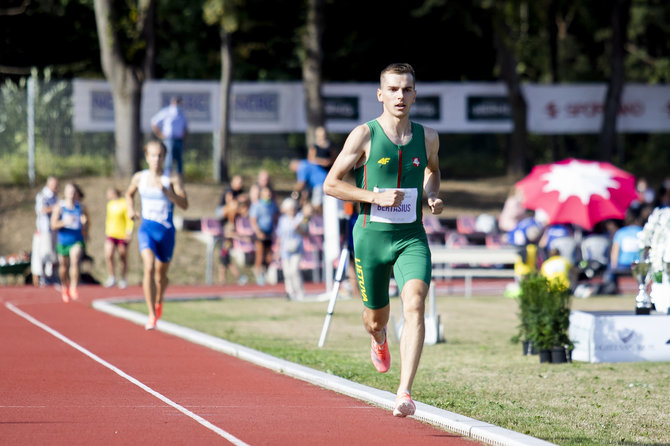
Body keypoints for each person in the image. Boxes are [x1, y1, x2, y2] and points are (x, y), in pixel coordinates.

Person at [323, 63, 443, 417]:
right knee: (376, 318)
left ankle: (404, 392)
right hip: (371, 237)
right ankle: (378, 339)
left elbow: (433, 173)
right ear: (381, 94)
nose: (400, 96)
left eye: (406, 89)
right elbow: (331, 184)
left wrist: (432, 195)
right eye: (393, 89)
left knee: (416, 303)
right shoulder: (364, 135)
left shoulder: (429, 137)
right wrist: (374, 197)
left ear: (415, 95)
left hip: (410, 237)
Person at [126, 140, 189, 330]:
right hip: (147, 228)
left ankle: (159, 299)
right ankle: (151, 314)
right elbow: (129, 194)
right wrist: (130, 210)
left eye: (160, 155)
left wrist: (168, 193)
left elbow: (185, 204)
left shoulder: (172, 177)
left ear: (164, 157)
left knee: (161, 277)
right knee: (149, 267)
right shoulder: (140, 177)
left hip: (166, 231)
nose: (156, 159)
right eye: (153, 155)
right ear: (147, 157)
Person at [50, 182, 90, 302]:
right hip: (63, 241)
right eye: (69, 192)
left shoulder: (81, 208)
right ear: (65, 193)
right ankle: (64, 286)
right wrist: (65, 222)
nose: (72, 194)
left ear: (76, 194)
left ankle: (73, 287)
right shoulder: (59, 207)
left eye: (73, 192)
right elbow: (53, 225)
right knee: (63, 267)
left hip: (76, 240)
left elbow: (86, 224)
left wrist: (85, 224)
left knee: (75, 259)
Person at [275, 198, 312, 300]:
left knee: (294, 270)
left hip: (297, 248)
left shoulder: (300, 218)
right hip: (285, 249)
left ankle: (300, 292)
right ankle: (290, 292)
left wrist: (298, 228)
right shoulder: (282, 220)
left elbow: (305, 233)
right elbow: (279, 236)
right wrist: (277, 250)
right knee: (287, 272)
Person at [602, 209, 643, 294]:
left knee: (608, 272)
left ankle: (610, 290)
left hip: (622, 265)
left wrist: (613, 266)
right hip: (639, 265)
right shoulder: (642, 231)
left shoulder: (621, 233)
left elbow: (615, 251)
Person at [103, 187, 134, 289]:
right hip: (111, 234)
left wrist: (129, 232)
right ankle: (112, 277)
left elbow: (129, 219)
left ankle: (123, 278)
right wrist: (107, 231)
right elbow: (108, 219)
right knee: (109, 254)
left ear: (114, 193)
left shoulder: (124, 203)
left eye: (109, 193)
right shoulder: (109, 205)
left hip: (122, 234)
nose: (107, 196)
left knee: (122, 256)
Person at [31, 176, 59, 286]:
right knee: (44, 254)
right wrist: (54, 208)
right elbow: (41, 210)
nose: (56, 187)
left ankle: (50, 275)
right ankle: (43, 277)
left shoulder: (55, 197)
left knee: (52, 255)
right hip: (44, 230)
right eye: (54, 184)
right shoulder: (42, 196)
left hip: (53, 230)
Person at [248, 185, 279, 285]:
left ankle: (265, 273)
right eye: (266, 193)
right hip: (260, 232)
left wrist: (275, 231)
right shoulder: (257, 205)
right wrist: (258, 232)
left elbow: (275, 218)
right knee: (260, 255)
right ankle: (258, 275)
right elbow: (253, 220)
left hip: (269, 232)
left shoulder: (272, 205)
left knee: (269, 256)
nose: (268, 195)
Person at [151, 96, 188, 175]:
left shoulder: (182, 113)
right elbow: (154, 122)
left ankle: (179, 175)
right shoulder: (166, 112)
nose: (178, 104)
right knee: (168, 157)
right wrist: (160, 134)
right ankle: (167, 174)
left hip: (179, 139)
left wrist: (184, 135)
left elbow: (185, 126)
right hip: (169, 139)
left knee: (179, 158)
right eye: (177, 102)